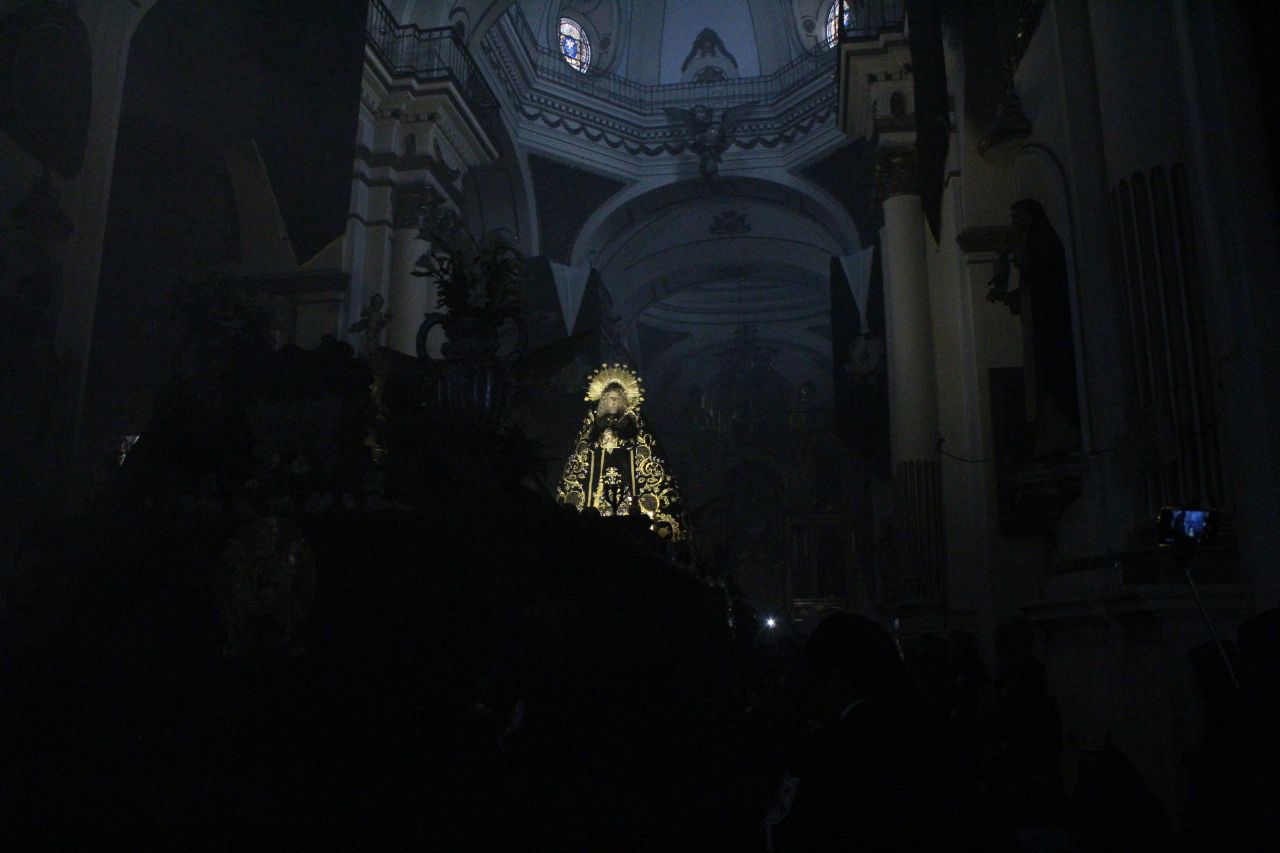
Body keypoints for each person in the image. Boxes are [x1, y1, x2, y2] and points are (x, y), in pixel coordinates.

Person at [556, 364, 686, 541]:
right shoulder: (594, 421)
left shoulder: (632, 420)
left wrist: (620, 440)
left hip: (626, 474)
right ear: (603, 400)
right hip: (598, 477)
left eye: (617, 398)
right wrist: (600, 441)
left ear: (623, 400)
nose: (614, 402)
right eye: (610, 398)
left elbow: (643, 447)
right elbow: (582, 448)